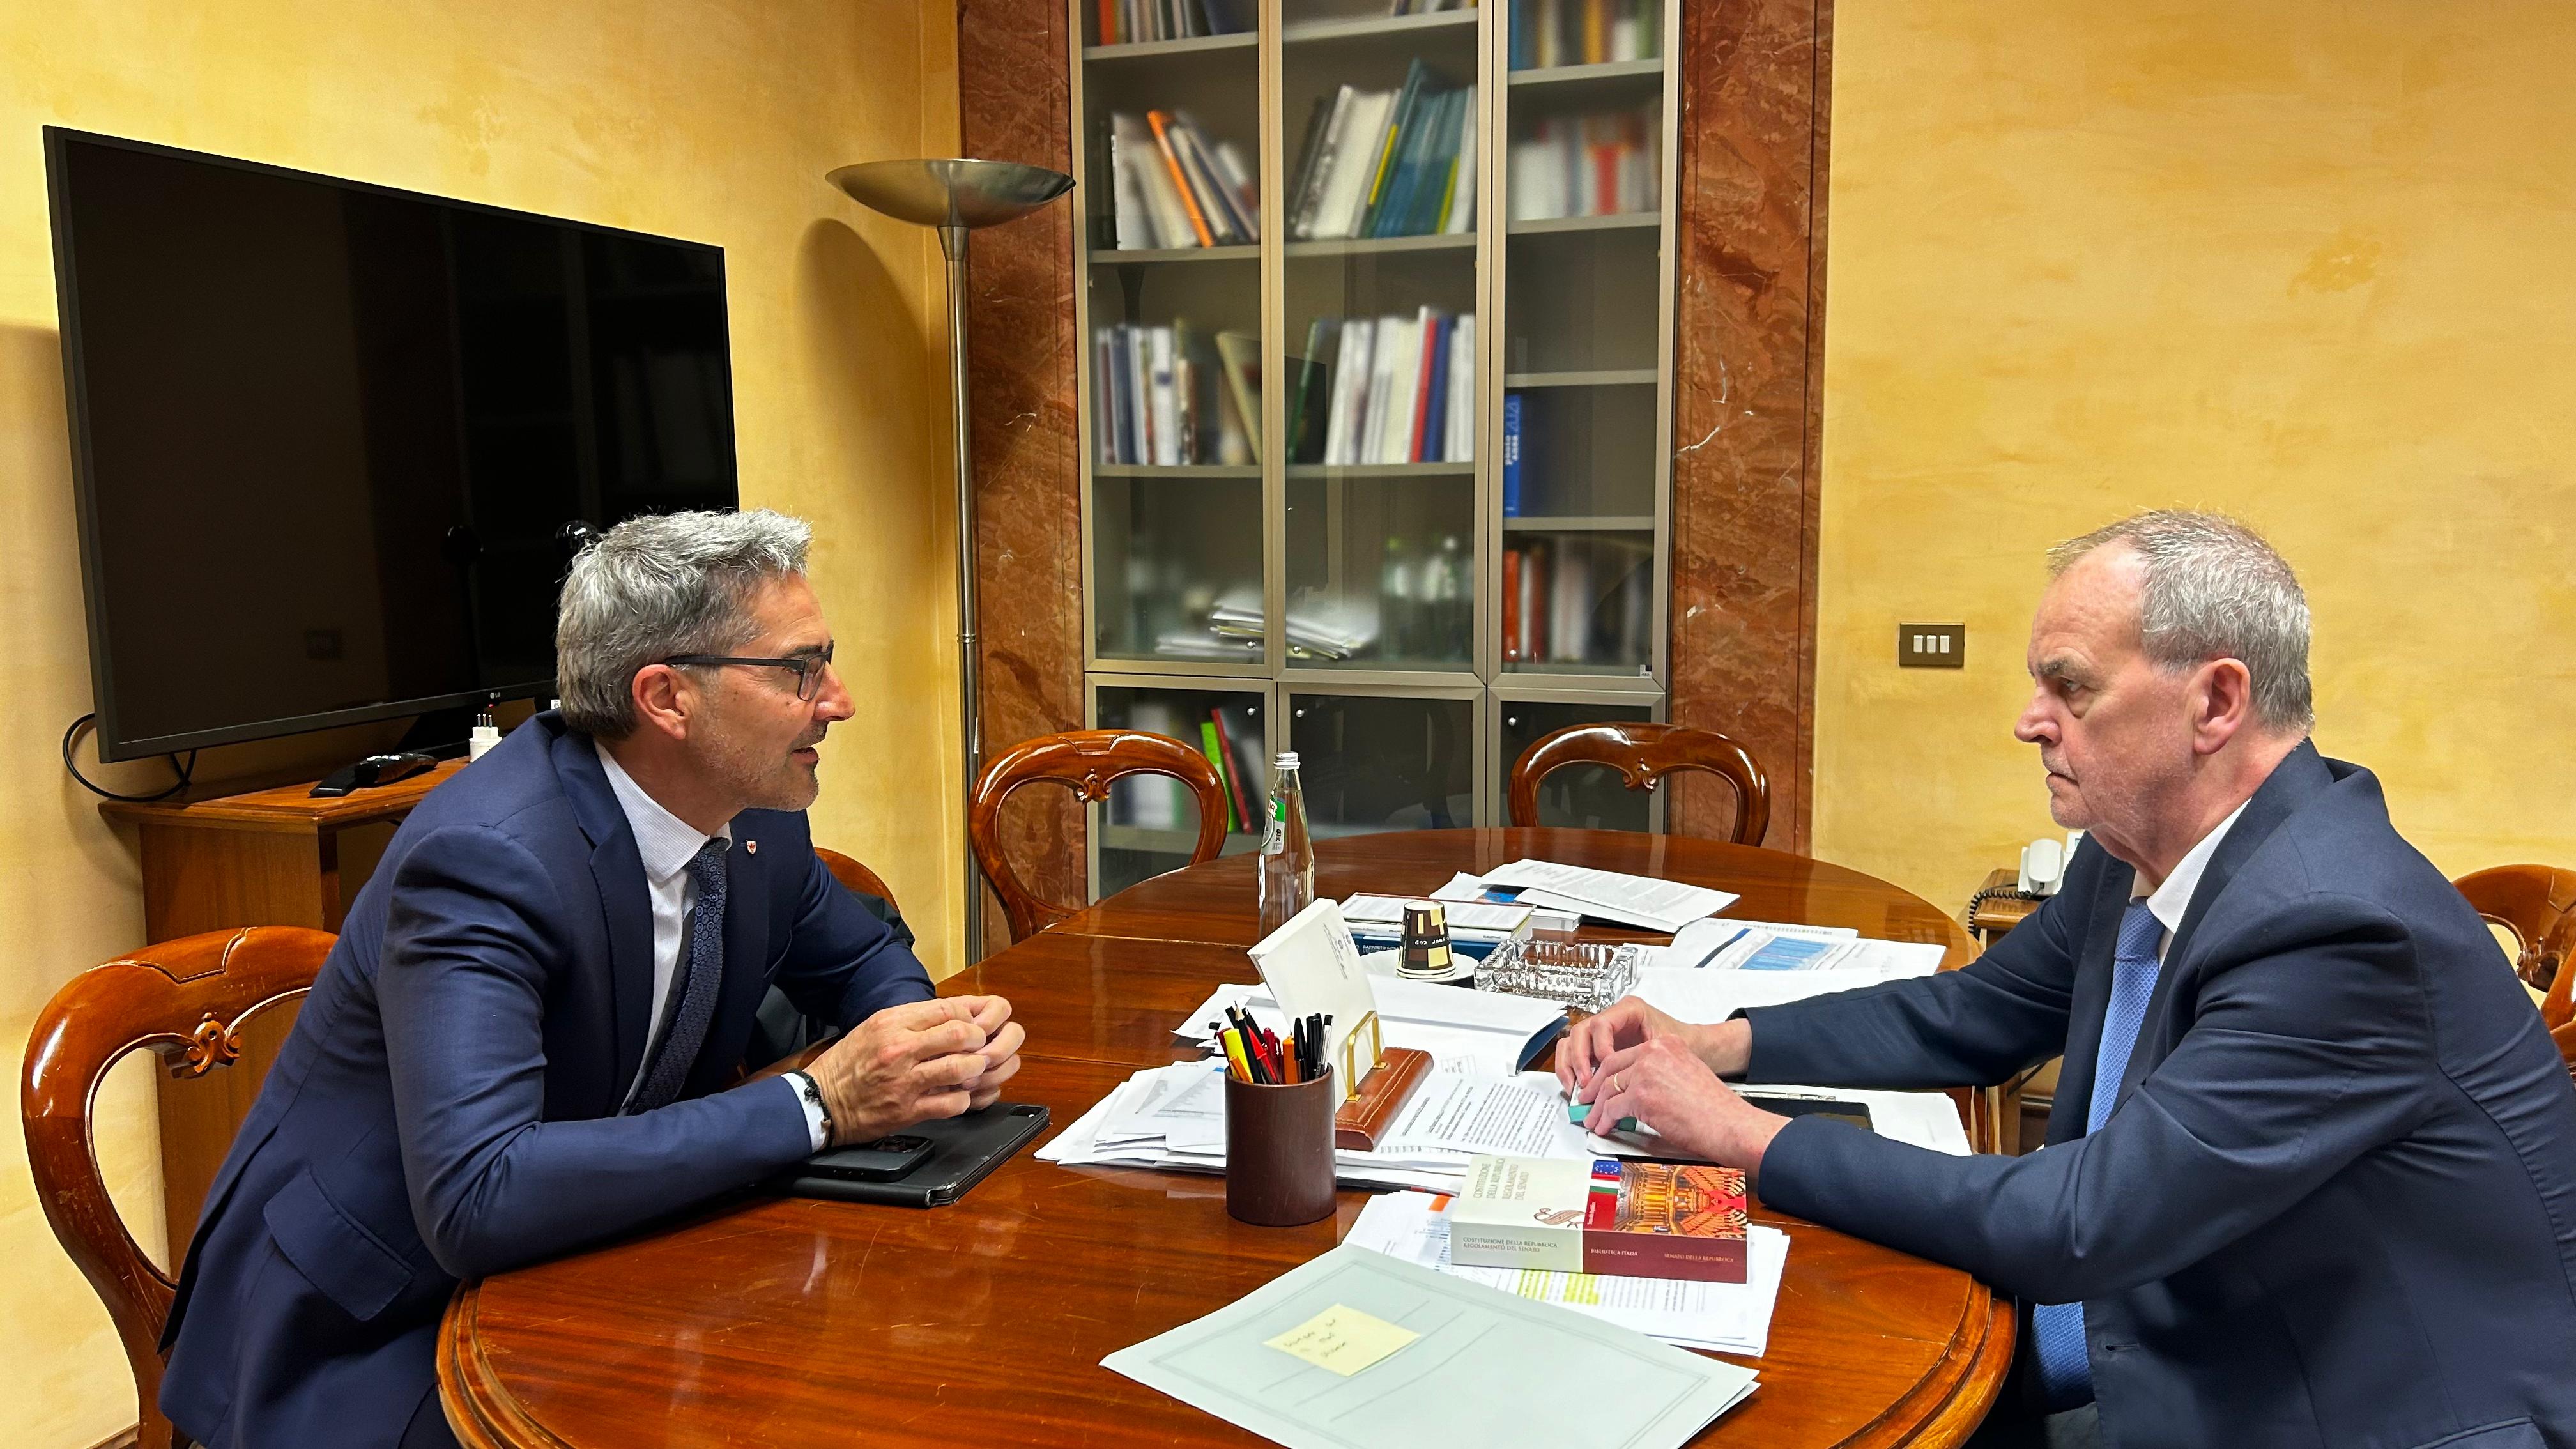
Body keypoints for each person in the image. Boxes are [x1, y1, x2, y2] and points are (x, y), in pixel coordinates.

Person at [1560, 511, 2576, 1448]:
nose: (2029, 721)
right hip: (2191, 1324)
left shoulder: (2338, 931)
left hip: (2343, 1407)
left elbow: (2082, 1222)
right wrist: (1717, 1044)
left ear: (2215, 701)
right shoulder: (2135, 846)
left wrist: (1737, 1133)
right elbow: (1975, 1012)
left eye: (2071, 687)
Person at [158, 510, 1023, 1449]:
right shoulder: (486, 860)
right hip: (372, 1327)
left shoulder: (756, 819)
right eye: (797, 669)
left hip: (589, 1253)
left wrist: (924, 1055)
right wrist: (823, 1105)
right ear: (666, 698)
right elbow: (477, 1193)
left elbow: (860, 957)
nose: (839, 700)